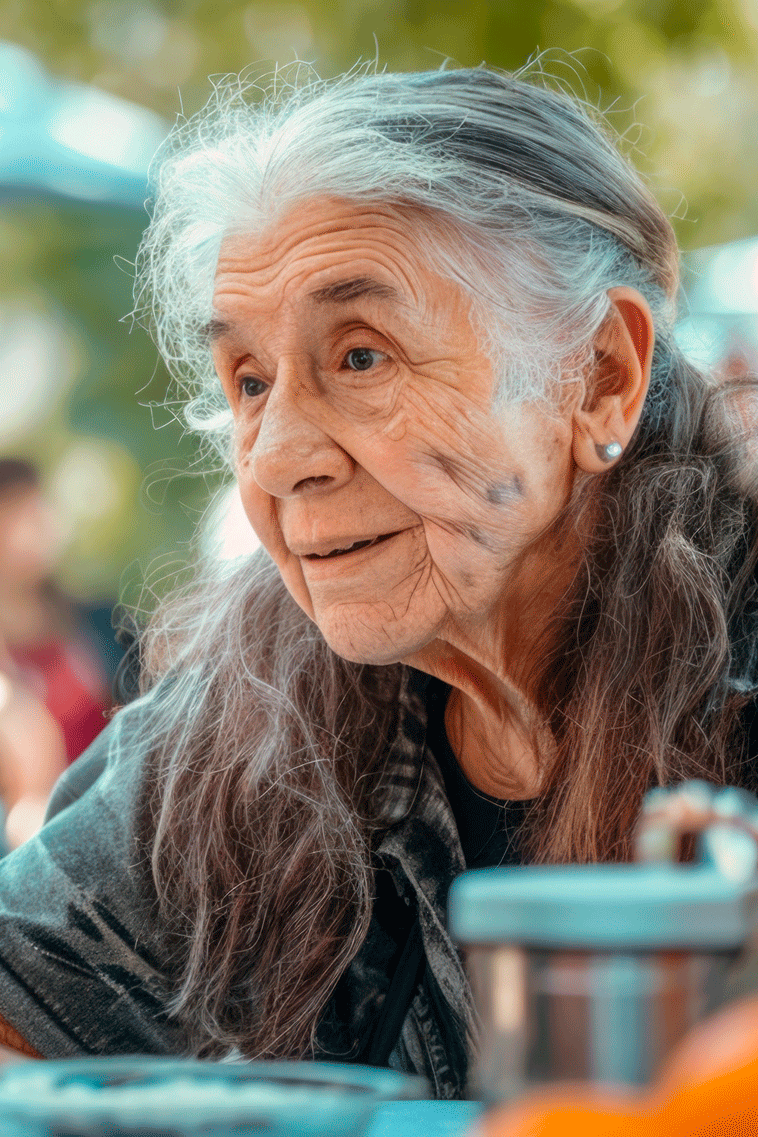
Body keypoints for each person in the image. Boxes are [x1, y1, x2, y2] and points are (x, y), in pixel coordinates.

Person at [0, 63, 756, 1096]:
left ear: (600, 380)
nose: (272, 459)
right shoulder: (243, 724)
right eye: (250, 382)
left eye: (360, 357)